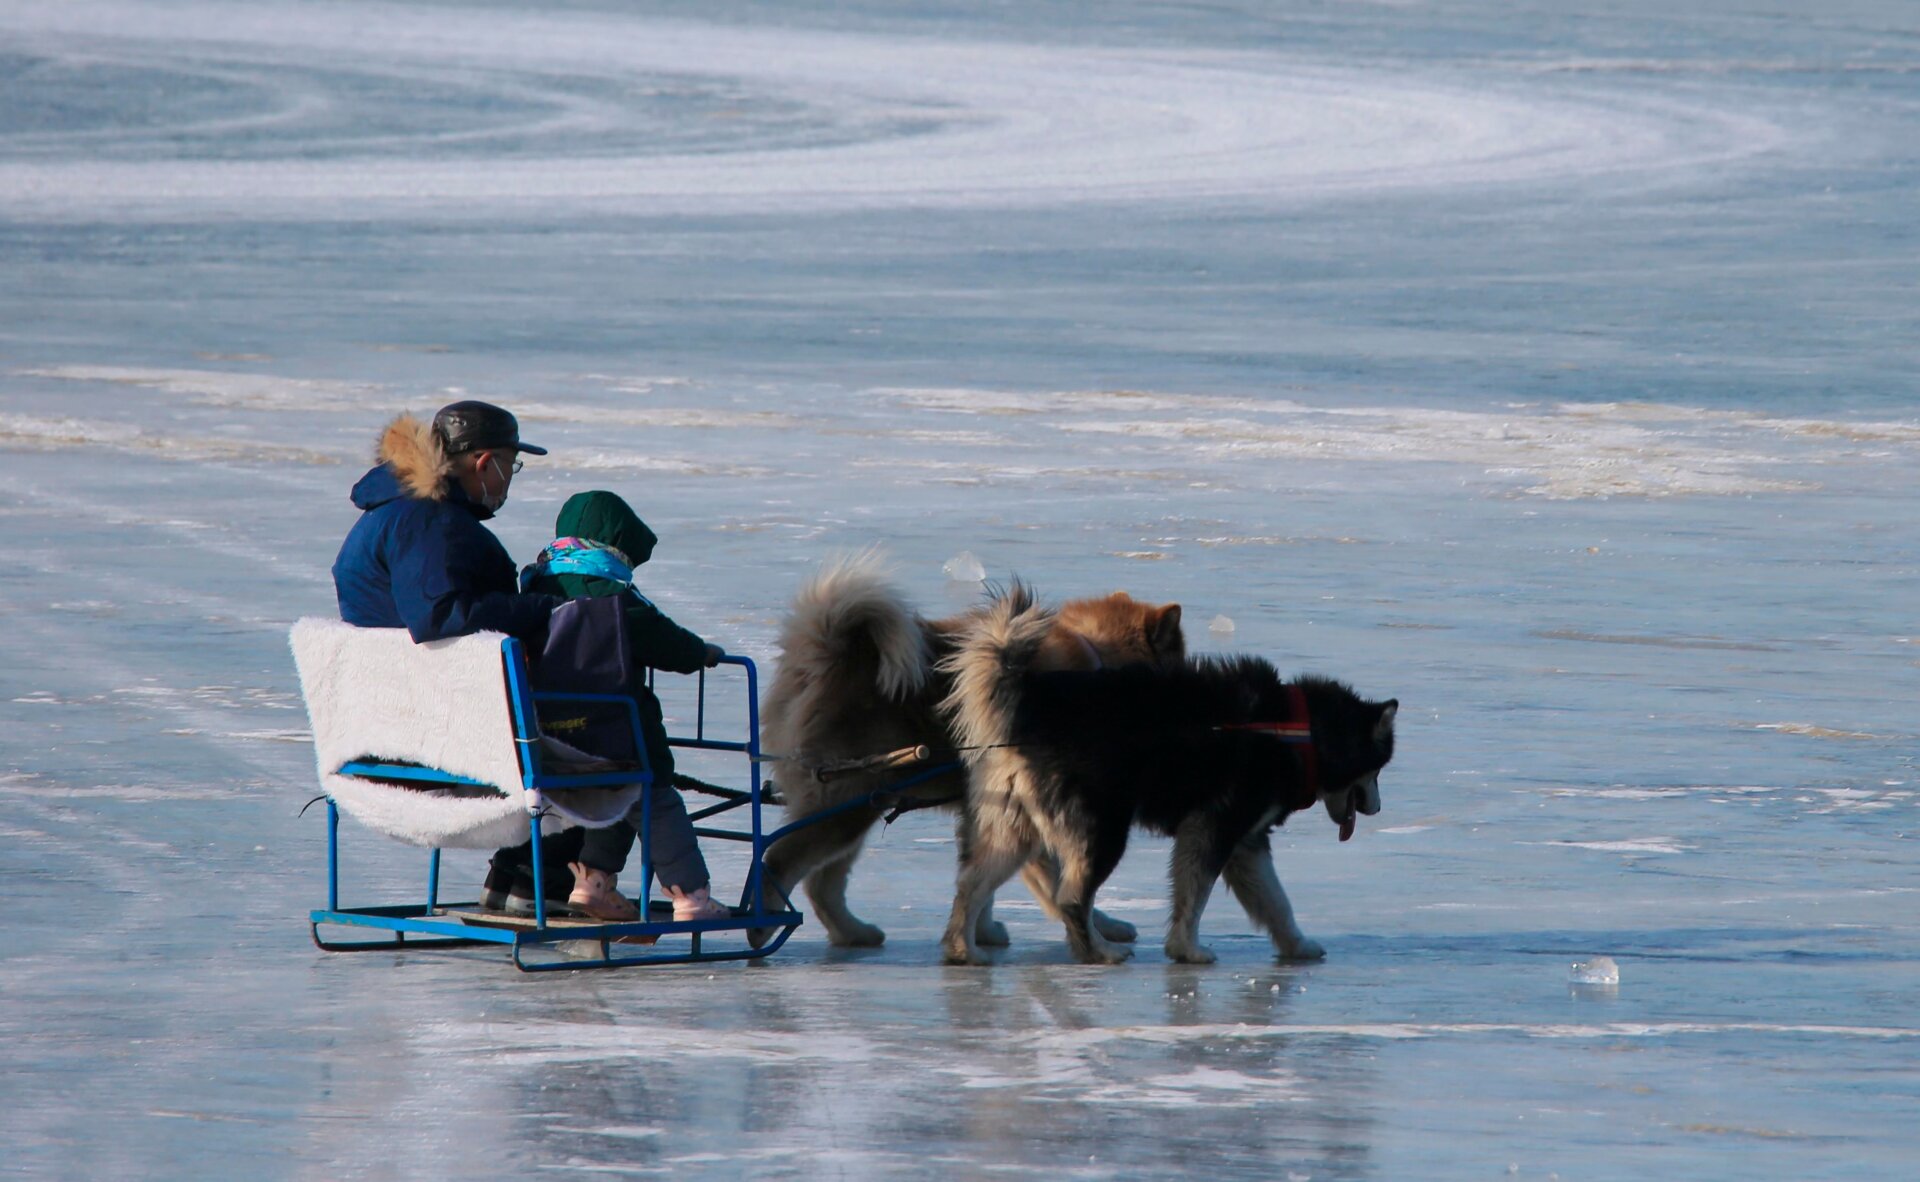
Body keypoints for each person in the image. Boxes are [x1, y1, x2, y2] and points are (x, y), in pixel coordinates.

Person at [332, 400, 575, 913]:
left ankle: (516, 879)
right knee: (600, 736)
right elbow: (438, 616)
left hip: (397, 718)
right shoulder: (428, 521)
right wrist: (543, 608)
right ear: (485, 463)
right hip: (436, 733)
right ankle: (548, 880)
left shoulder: (397, 513)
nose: (511, 478)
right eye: (512, 465)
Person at [512, 490, 731, 923]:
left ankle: (592, 885)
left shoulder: (533, 588)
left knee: (614, 794)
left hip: (543, 737)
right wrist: (704, 652)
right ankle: (691, 896)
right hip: (613, 737)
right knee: (654, 799)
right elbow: (673, 647)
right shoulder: (613, 598)